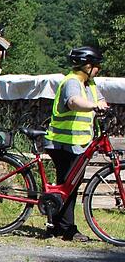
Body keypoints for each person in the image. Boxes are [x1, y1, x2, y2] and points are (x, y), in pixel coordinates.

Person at [43, 46, 108, 242]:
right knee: (68, 187)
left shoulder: (89, 84)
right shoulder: (72, 82)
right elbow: (73, 102)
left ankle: (55, 225)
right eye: (96, 65)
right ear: (86, 66)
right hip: (64, 142)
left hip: (77, 143)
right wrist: (93, 106)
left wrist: (103, 106)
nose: (98, 69)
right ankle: (67, 230)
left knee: (68, 185)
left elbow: (100, 100)